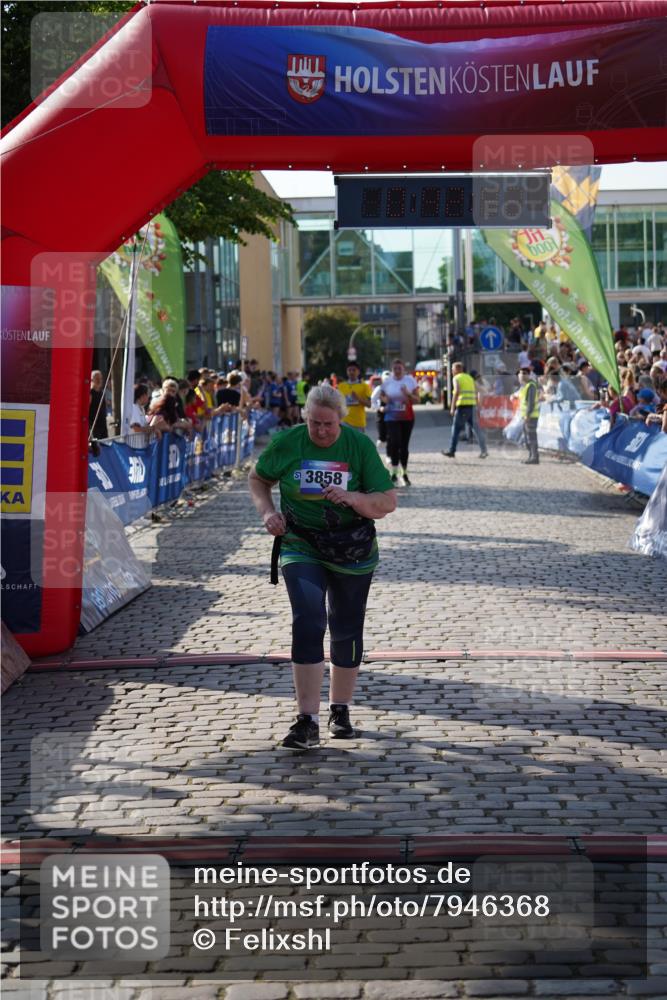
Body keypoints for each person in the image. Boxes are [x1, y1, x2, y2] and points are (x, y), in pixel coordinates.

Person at [248, 384, 397, 750]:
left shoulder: (359, 447)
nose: (321, 432)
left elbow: (387, 501)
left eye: (329, 424)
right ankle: (307, 720)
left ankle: (340, 709)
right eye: (315, 423)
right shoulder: (289, 442)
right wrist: (268, 512)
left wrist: (354, 498)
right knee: (308, 619)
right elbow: (258, 478)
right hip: (302, 545)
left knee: (346, 629)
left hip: (352, 550)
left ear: (341, 421)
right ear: (305, 418)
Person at [380, 358, 420, 485]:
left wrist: (408, 394)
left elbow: (417, 400)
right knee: (395, 443)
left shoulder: (410, 381)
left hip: (407, 418)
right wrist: (385, 401)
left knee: (404, 446)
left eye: (399, 368)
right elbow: (381, 396)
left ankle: (404, 473)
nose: (397, 371)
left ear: (404, 369)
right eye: (395, 368)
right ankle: (394, 473)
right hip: (391, 418)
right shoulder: (387, 382)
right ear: (392, 370)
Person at [443, 362, 488, 459]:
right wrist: (477, 405)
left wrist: (452, 407)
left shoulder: (456, 378)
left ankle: (452, 451)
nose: (451, 371)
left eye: (452, 369)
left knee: (455, 429)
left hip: (462, 407)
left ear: (458, 369)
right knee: (477, 430)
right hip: (472, 407)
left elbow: (457, 392)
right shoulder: (469, 378)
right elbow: (476, 391)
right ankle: (484, 451)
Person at [338, 360, 372, 433]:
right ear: (347, 372)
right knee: (346, 444)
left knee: (358, 444)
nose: (351, 372)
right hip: (344, 421)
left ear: (358, 372)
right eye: (349, 370)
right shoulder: (341, 386)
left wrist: (358, 398)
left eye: (354, 370)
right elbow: (338, 404)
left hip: (358, 423)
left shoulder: (364, 386)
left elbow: (369, 404)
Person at [517, 365, 540, 464]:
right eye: (520, 373)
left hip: (531, 416)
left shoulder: (531, 385)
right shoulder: (525, 386)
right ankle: (532, 456)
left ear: (529, 375)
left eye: (524, 373)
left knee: (531, 437)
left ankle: (534, 457)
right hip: (527, 415)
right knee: (528, 438)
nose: (522, 375)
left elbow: (531, 402)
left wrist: (527, 415)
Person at [89, 370, 108, 439]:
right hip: (94, 428)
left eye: (100, 378)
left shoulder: (101, 393)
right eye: (97, 379)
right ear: (92, 379)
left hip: (103, 426)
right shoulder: (90, 393)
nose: (99, 380)